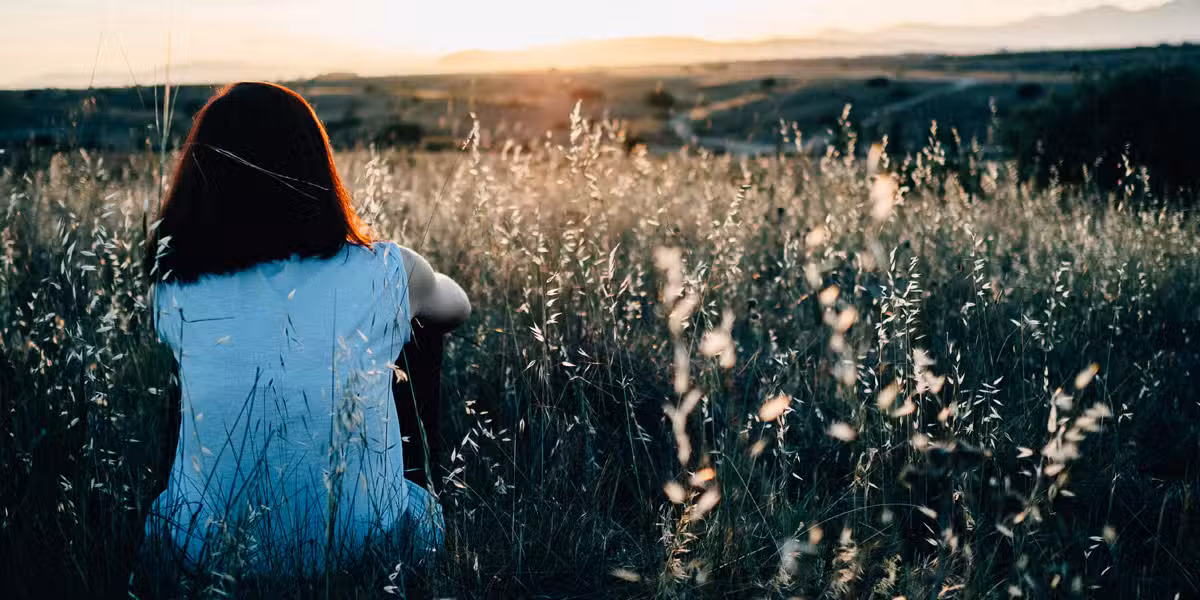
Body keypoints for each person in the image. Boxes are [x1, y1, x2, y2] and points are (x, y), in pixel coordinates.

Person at [141, 81, 469, 582]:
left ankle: (207, 496)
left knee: (195, 363)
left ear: (201, 175)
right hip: (364, 549)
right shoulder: (386, 269)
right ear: (317, 167)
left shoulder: (173, 281)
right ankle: (410, 493)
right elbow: (456, 308)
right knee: (416, 332)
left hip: (205, 552)